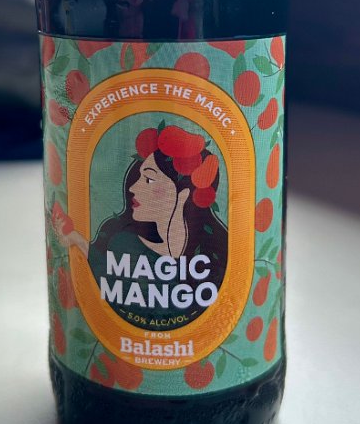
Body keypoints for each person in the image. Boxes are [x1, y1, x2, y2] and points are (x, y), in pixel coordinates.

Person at [52, 124, 228, 327]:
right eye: (139, 177)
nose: (134, 188)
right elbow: (97, 265)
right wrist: (73, 238)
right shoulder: (118, 238)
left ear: (183, 194)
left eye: (149, 180)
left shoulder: (217, 251)